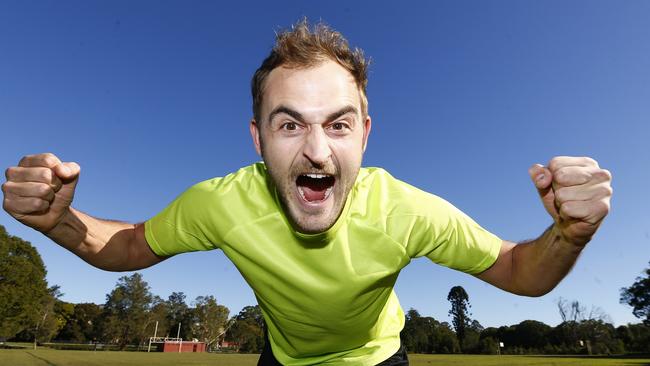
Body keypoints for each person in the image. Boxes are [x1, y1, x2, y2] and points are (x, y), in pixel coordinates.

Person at [1, 19, 612, 366]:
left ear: (365, 136)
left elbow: (520, 273)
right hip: (282, 362)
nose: (317, 151)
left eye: (338, 124)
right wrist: (59, 220)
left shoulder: (406, 210)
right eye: (289, 124)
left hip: (379, 361)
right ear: (257, 139)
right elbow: (132, 247)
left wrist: (567, 233)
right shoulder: (221, 203)